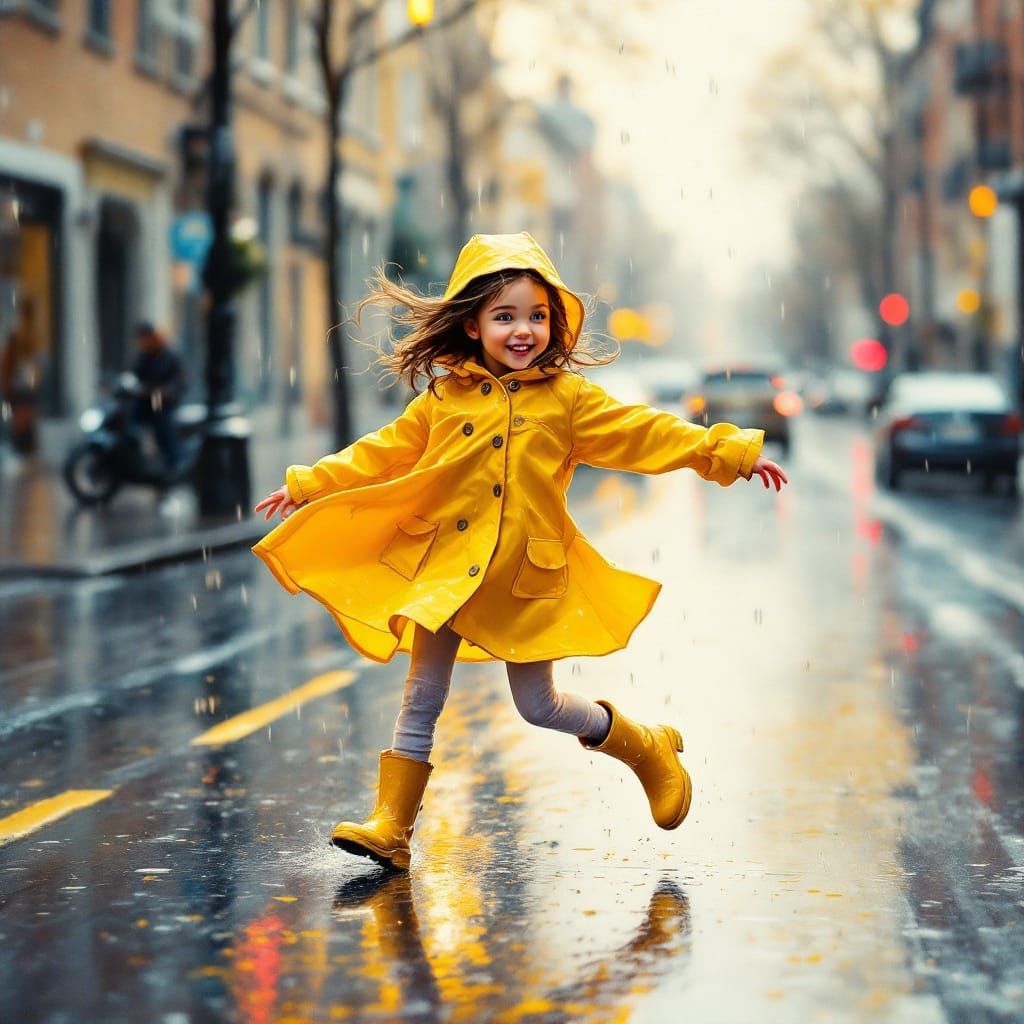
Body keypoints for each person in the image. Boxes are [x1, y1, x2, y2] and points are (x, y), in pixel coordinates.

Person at [253, 232, 788, 872]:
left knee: (539, 707)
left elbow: (642, 432)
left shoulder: (567, 400)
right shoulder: (443, 399)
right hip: (442, 570)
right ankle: (392, 825)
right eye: (504, 316)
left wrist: (724, 451)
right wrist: (310, 481)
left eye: (536, 315)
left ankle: (644, 748)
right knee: (421, 693)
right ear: (473, 325)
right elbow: (383, 451)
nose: (522, 330)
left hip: (522, 576)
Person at [131, 321, 186, 477]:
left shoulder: (169, 356)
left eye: (145, 338)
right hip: (145, 401)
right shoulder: (145, 356)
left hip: (163, 403)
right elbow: (135, 374)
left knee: (163, 425)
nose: (142, 342)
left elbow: (179, 382)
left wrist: (164, 391)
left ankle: (172, 466)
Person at [1, 297, 43, 455]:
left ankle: (24, 449)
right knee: (22, 417)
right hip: (22, 383)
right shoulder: (22, 332)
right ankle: (23, 449)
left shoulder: (25, 332)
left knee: (23, 417)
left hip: (23, 384)